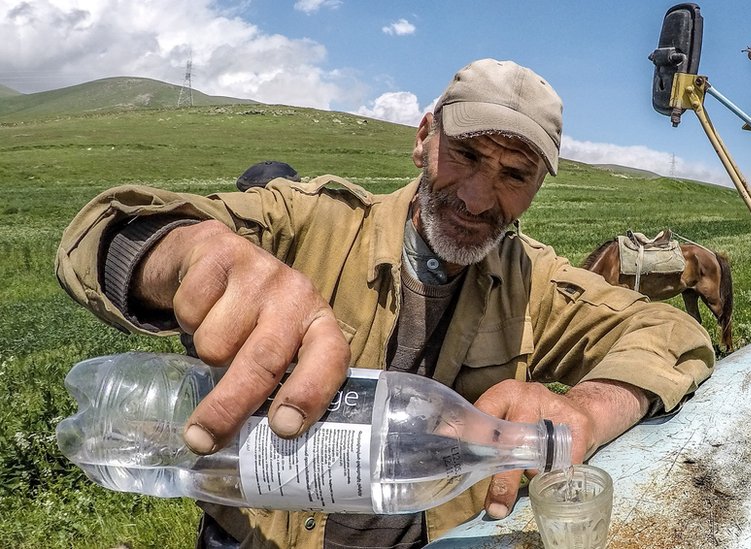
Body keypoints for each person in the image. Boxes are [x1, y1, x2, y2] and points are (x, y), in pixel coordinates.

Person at [56, 58, 715, 548]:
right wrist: (185, 256)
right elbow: (103, 237)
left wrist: (584, 411)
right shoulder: (313, 221)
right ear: (424, 136)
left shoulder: (533, 281)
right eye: (466, 154)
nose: (481, 199)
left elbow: (671, 332)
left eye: (515, 176)